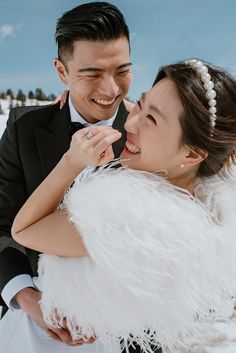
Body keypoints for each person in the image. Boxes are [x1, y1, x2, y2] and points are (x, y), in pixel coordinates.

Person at [1, 59, 236, 353]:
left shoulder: (127, 219)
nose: (130, 122)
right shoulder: (198, 201)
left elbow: (24, 229)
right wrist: (77, 97)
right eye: (140, 103)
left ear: (192, 155)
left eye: (151, 119)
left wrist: (71, 161)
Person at [0, 1, 135, 349]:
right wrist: (28, 299)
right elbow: (2, 225)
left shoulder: (147, 132)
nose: (110, 90)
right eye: (91, 75)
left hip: (129, 326)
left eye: (122, 70)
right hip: (35, 322)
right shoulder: (23, 127)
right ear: (62, 72)